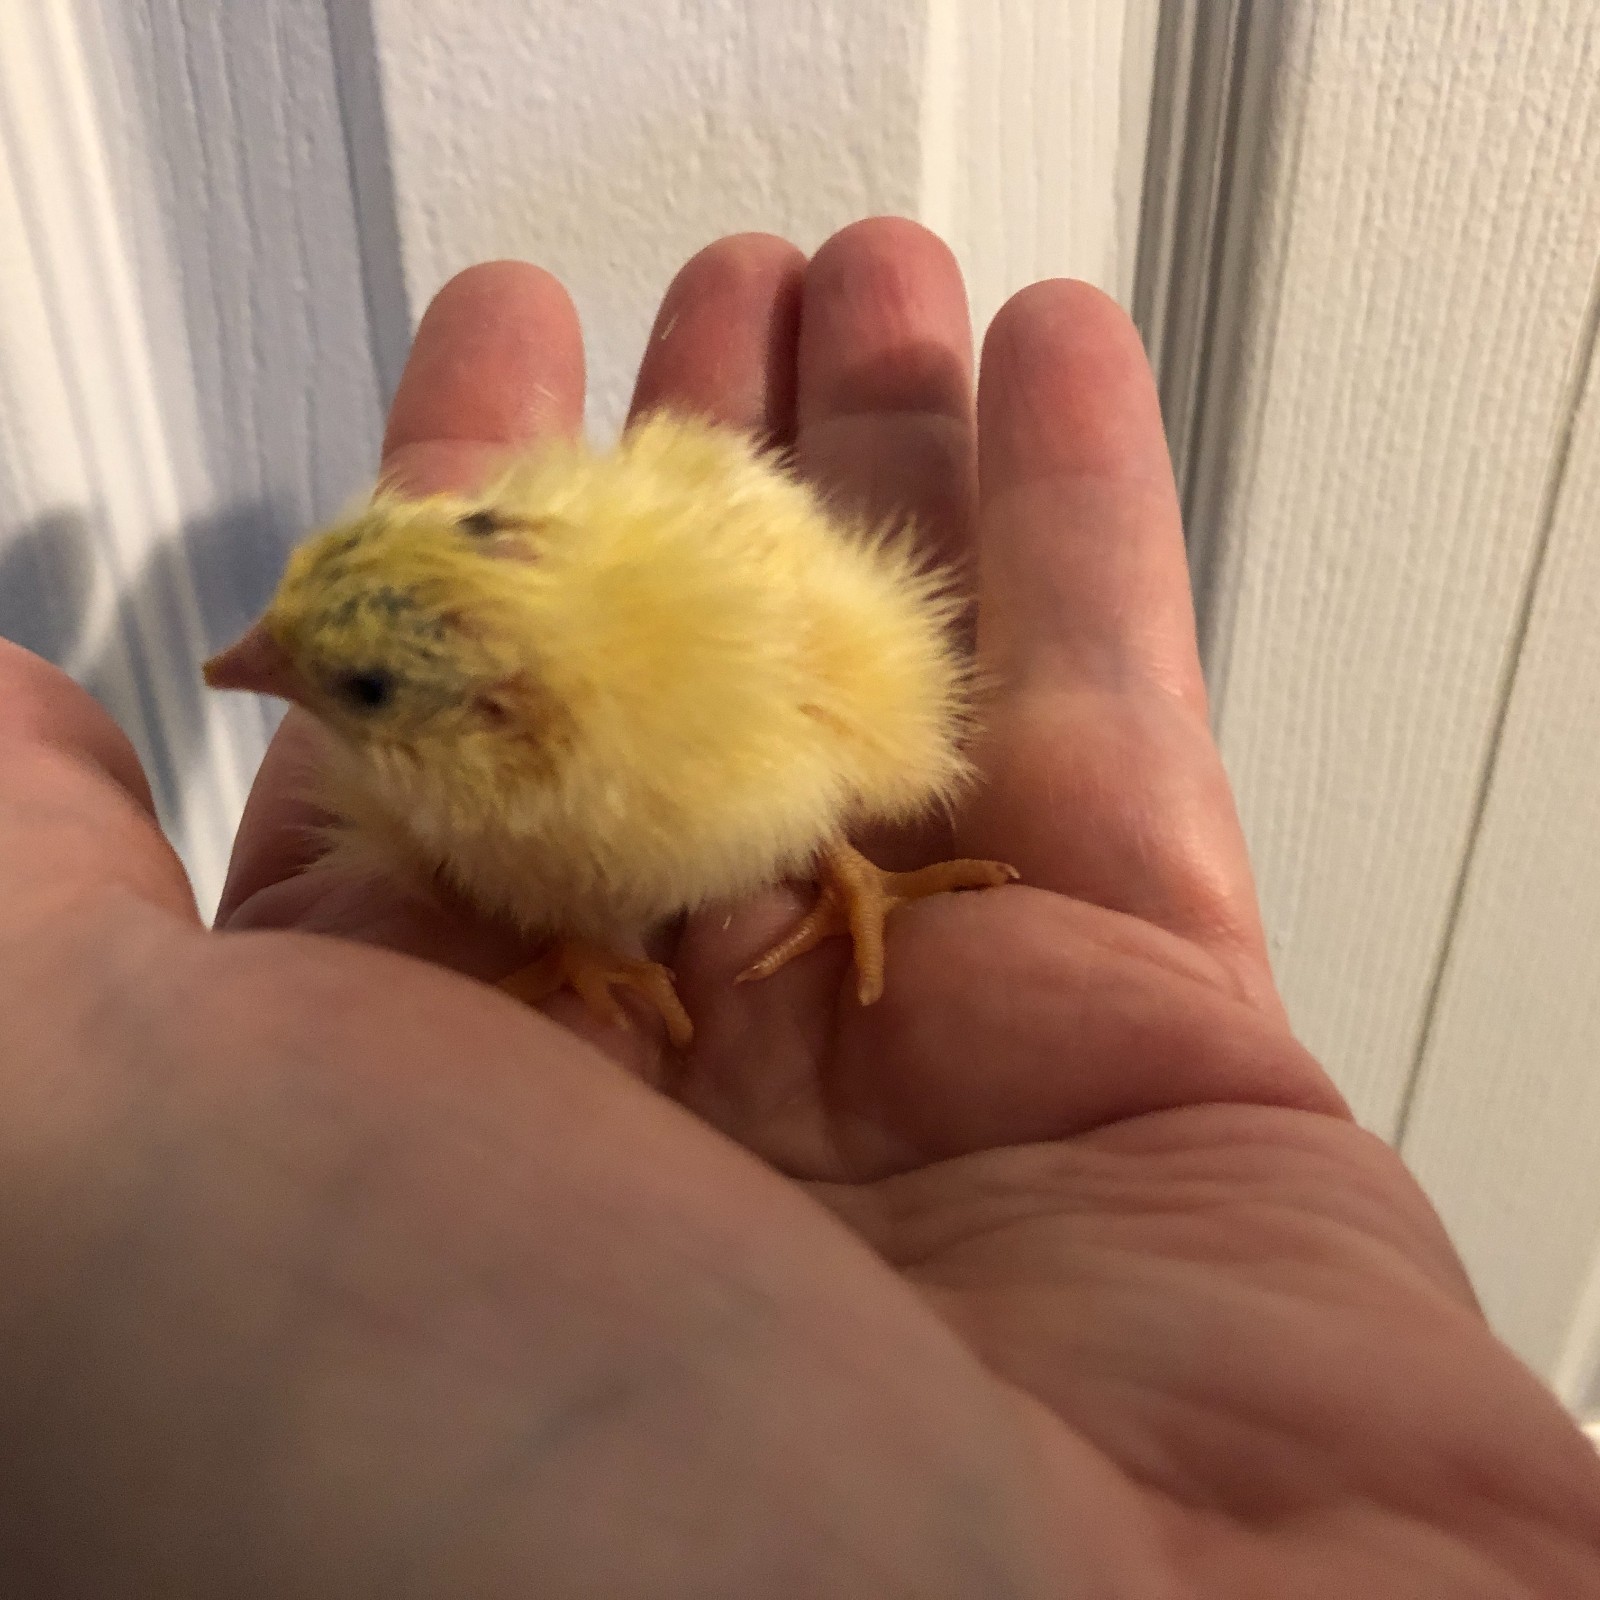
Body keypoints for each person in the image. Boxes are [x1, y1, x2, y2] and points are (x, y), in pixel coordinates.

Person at [2, 218, 1597, 1596]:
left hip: (731, 675)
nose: (254, 681)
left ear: (502, 723)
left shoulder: (665, 691)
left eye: (334, 680)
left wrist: (843, 855)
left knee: (807, 760)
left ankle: (848, 863)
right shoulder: (492, 768)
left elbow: (861, 690)